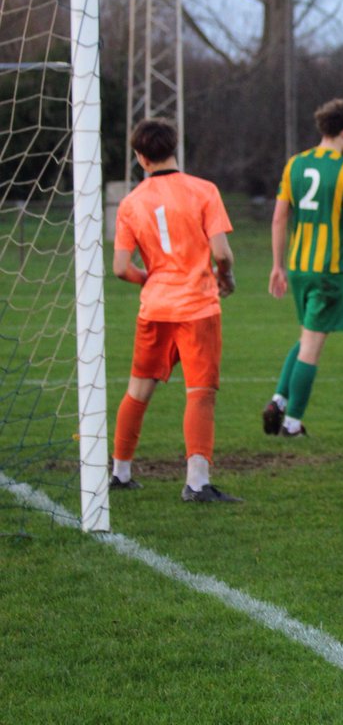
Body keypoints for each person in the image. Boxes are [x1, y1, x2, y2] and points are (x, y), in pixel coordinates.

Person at [110, 117, 240, 503]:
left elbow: (120, 267)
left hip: (155, 308)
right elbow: (222, 253)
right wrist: (225, 277)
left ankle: (120, 472)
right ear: (174, 148)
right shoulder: (204, 190)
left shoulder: (130, 203)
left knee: (138, 390)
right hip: (197, 308)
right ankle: (197, 483)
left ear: (140, 157)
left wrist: (149, 280)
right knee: (200, 392)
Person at [262, 99, 343, 438]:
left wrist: (277, 265)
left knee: (307, 336)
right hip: (328, 269)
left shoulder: (295, 164)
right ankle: (292, 424)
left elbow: (279, 218)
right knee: (312, 346)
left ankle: (279, 401)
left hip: (298, 266)